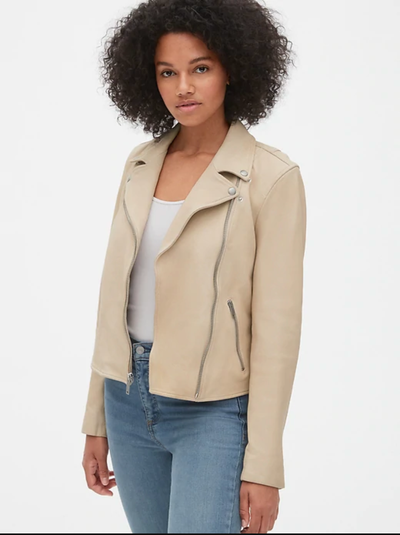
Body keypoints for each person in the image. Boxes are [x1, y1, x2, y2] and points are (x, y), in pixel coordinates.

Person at [81, 0, 307, 533]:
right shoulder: (140, 164)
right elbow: (115, 297)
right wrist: (96, 418)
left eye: (200, 68)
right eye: (167, 72)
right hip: (126, 400)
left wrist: (264, 465)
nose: (183, 87)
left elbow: (276, 333)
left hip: (213, 413)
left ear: (232, 68)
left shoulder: (271, 177)